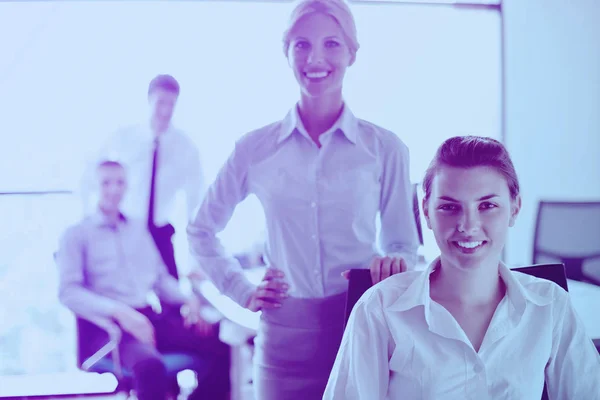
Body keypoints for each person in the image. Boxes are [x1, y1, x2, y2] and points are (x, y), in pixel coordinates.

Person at [186, 1, 420, 398]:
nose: (315, 58)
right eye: (301, 45)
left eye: (331, 43)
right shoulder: (254, 149)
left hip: (360, 330)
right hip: (282, 343)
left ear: (351, 53)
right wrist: (241, 289)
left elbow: (403, 244)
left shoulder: (385, 148)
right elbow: (200, 230)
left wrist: (394, 262)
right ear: (287, 53)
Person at [324, 136, 600, 399]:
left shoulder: (549, 305)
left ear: (515, 208)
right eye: (449, 207)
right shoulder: (380, 309)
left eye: (487, 205)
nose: (468, 226)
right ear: (426, 211)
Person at [57, 160, 230, 400]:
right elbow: (68, 291)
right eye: (106, 182)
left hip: (149, 317)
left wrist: (187, 299)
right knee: (150, 367)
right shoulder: (77, 234)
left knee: (221, 341)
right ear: (94, 187)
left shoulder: (137, 229)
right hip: (111, 328)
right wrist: (120, 312)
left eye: (120, 182)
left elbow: (159, 279)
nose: (114, 189)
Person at [80, 74, 204, 279]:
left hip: (161, 232)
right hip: (124, 231)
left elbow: (195, 204)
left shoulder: (186, 148)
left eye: (171, 104)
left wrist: (194, 261)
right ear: (149, 99)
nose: (165, 110)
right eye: (160, 102)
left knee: (173, 299)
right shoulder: (123, 137)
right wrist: (90, 224)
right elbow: (89, 177)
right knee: (120, 289)